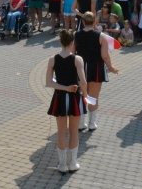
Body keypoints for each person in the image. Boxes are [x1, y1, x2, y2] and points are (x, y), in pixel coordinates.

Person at [46, 29, 87, 174]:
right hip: (75, 97)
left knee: (61, 132)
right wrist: (84, 94)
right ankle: (73, 163)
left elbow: (49, 82)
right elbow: (83, 81)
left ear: (60, 42)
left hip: (59, 97)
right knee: (74, 132)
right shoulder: (78, 59)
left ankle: (62, 164)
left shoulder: (52, 59)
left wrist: (64, 88)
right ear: (72, 43)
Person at [75, 11, 118, 131]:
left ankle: (80, 123)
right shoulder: (101, 36)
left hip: (81, 68)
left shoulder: (76, 35)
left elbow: (72, 54)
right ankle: (92, 123)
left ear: (83, 22)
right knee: (93, 96)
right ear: (94, 22)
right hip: (96, 68)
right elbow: (105, 55)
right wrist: (111, 67)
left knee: (82, 94)